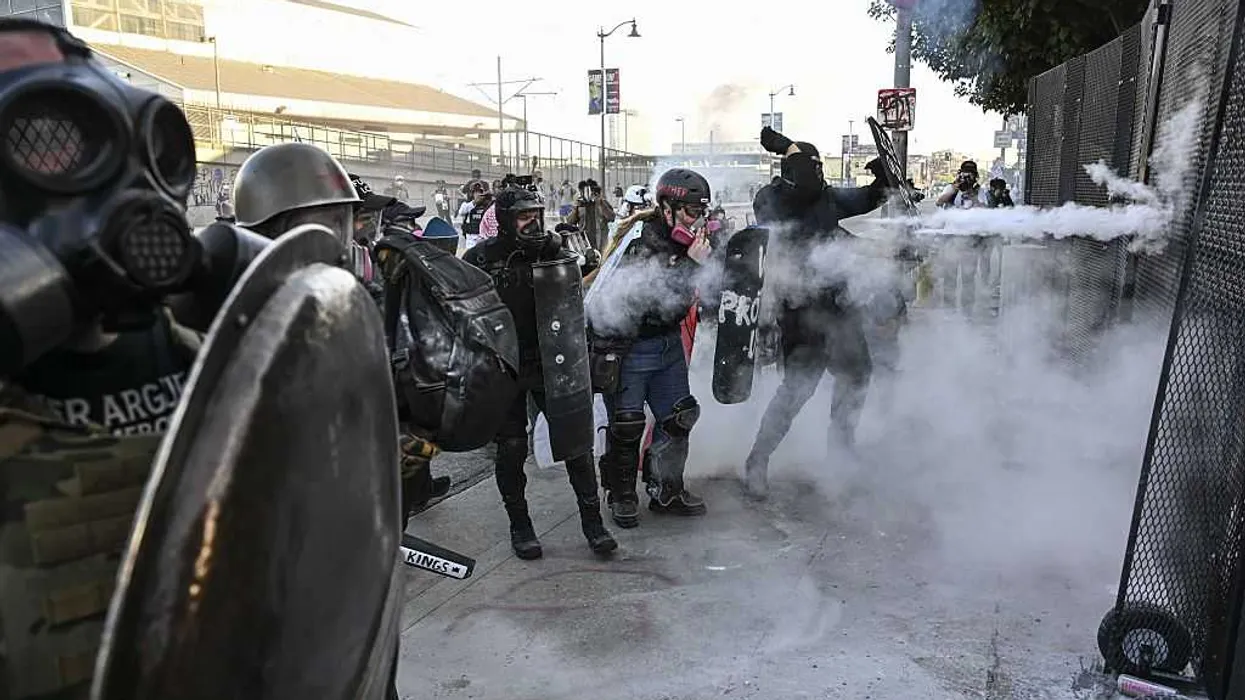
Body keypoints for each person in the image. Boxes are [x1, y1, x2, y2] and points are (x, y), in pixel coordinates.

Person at [463, 186, 616, 559]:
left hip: (552, 361)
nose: (531, 222)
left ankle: (593, 524)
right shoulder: (480, 258)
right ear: (504, 219)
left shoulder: (553, 250)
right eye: (522, 216)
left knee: (576, 443)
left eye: (535, 214)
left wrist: (563, 253)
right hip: (504, 366)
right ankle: (520, 525)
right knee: (512, 448)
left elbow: (576, 294)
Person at [742, 126, 888, 500]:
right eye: (813, 166)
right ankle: (758, 460)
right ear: (793, 169)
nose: (819, 174)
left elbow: (867, 198)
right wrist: (789, 147)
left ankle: (840, 455)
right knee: (797, 389)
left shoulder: (827, 197)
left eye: (821, 167)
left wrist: (884, 176)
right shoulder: (770, 198)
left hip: (839, 309)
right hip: (801, 312)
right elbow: (803, 188)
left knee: (857, 376)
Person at [587, 168, 715, 527]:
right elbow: (655, 302)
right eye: (691, 211)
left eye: (700, 212)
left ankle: (667, 489)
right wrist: (691, 265)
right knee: (627, 424)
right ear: (667, 207)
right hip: (631, 347)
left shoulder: (682, 241)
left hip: (667, 344)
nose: (696, 220)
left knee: (678, 418)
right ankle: (621, 494)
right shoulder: (641, 243)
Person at [567, 178, 616, 250]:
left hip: (601, 243)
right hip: (585, 243)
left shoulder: (602, 203)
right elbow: (570, 222)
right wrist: (576, 208)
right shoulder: (580, 205)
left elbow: (612, 218)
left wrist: (600, 203)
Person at [458, 178, 492, 249]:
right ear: (472, 194)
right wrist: (474, 202)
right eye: (475, 192)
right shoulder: (467, 204)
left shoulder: (487, 205)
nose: (477, 194)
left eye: (479, 192)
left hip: (483, 237)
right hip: (471, 238)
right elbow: (461, 212)